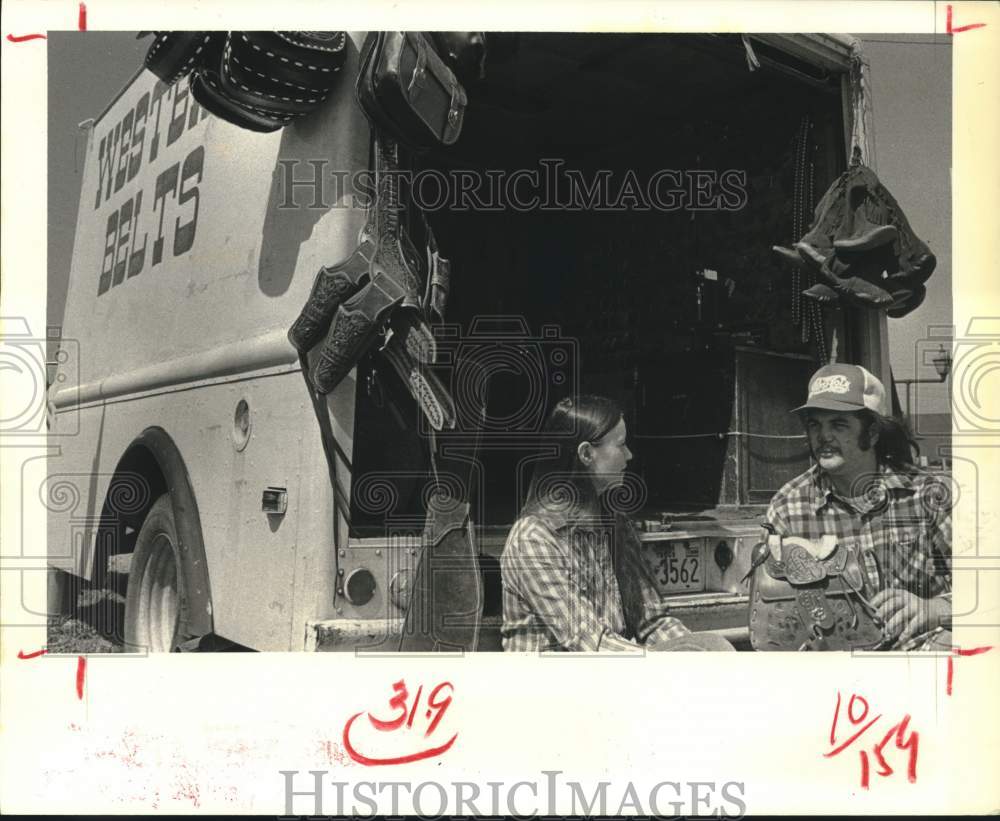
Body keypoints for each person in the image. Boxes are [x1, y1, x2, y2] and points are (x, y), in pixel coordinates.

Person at [500, 394, 734, 652]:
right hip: (557, 683)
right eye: (621, 445)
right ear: (586, 454)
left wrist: (701, 653)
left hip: (612, 671)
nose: (630, 455)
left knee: (715, 646)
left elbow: (653, 621)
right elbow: (590, 643)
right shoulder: (534, 538)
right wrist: (671, 666)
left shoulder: (616, 525)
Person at [766, 363, 952, 649]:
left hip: (925, 652)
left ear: (873, 432)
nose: (823, 436)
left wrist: (933, 610)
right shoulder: (787, 509)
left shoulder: (927, 494)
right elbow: (775, 616)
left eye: (838, 424)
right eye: (815, 424)